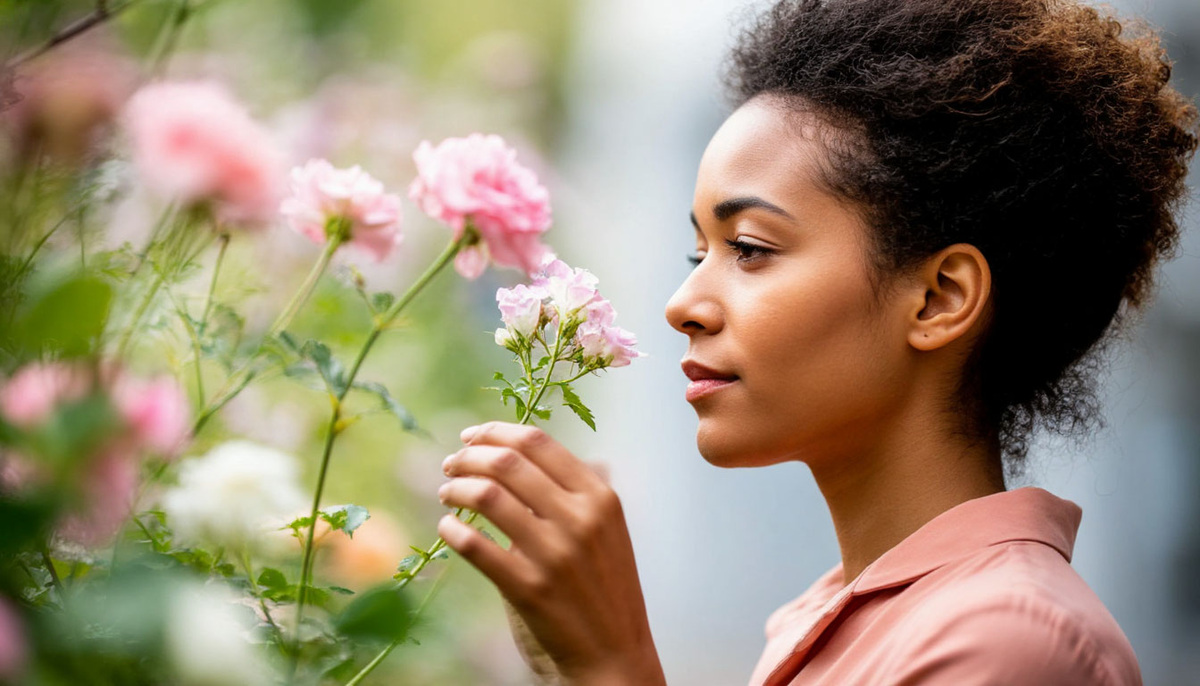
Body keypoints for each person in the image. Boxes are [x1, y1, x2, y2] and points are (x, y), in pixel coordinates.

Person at [435, 0, 1199, 683]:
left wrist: (612, 665)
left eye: (752, 248)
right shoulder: (816, 628)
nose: (683, 306)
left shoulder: (1008, 643)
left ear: (939, 299)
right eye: (697, 253)